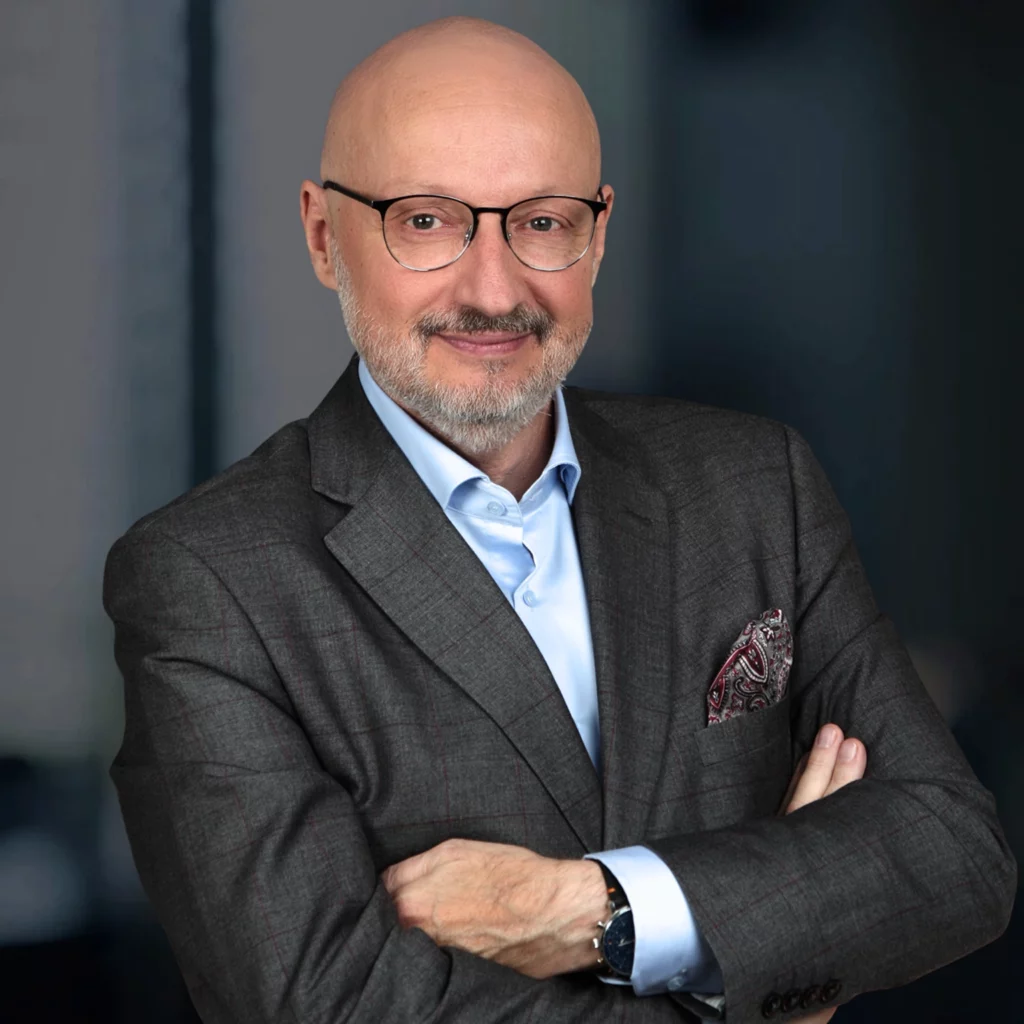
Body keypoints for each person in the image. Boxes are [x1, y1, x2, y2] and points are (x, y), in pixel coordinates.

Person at [102, 16, 1015, 1024]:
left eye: (541, 222)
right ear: (324, 236)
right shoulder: (208, 580)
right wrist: (764, 947)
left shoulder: (755, 484)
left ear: (600, 231)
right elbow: (327, 1004)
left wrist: (599, 910)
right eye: (425, 220)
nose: (493, 290)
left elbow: (953, 851)